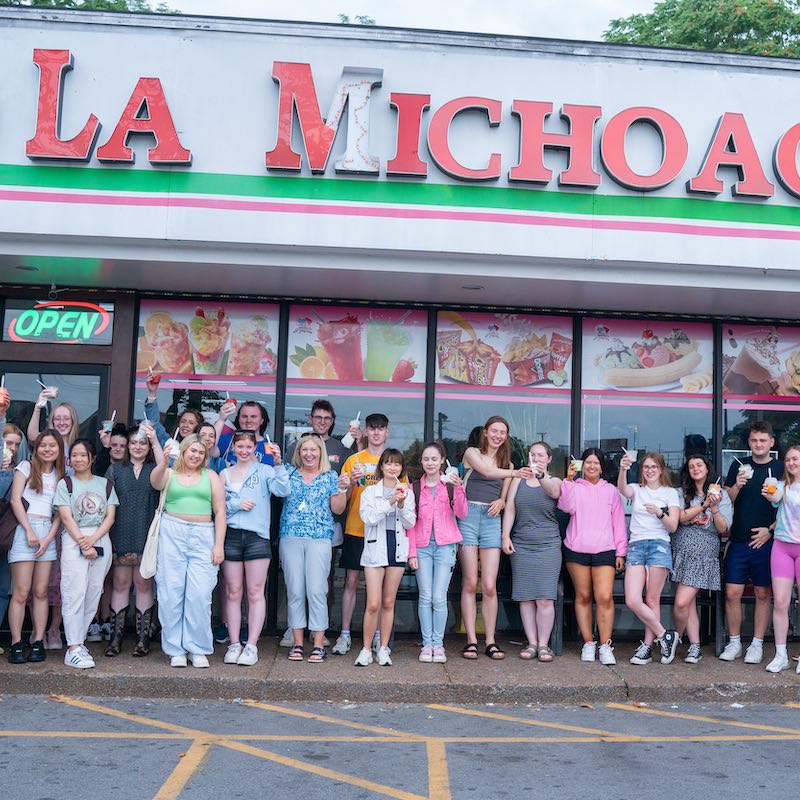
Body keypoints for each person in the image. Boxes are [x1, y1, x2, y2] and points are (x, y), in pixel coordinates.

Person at [279, 399, 357, 648]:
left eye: (314, 450)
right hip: (291, 535)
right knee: (295, 589)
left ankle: (318, 637)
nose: (309, 453)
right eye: (305, 450)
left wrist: (344, 489)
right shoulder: (289, 472)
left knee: (318, 588)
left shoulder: (331, 472)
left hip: (323, 533)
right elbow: (276, 489)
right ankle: (296, 635)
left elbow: (338, 506)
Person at [458, 415, 532, 661]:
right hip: (468, 516)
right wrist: (514, 474)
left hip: (491, 520)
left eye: (503, 432)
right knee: (470, 582)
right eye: (494, 431)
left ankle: (490, 640)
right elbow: (488, 472)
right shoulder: (472, 453)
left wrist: (501, 501)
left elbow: (505, 497)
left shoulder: (509, 465)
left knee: (489, 585)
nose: (498, 436)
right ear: (486, 432)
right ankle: (470, 640)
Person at [150, 434, 226, 668]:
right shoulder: (170, 473)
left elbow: (221, 511)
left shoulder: (211, 476)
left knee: (200, 595)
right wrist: (164, 461)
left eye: (201, 452)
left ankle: (198, 648)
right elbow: (155, 482)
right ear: (183, 451)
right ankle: (175, 649)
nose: (196, 455)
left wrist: (219, 544)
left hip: (204, 533)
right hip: (172, 532)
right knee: (171, 592)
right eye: (192, 450)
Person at [220, 431, 289, 667]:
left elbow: (283, 490)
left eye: (248, 446)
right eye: (240, 446)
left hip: (257, 537)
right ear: (233, 448)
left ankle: (251, 645)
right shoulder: (225, 473)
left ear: (254, 449)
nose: (244, 450)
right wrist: (236, 504)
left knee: (254, 592)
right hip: (230, 536)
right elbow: (217, 507)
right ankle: (233, 643)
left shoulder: (265, 470)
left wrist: (279, 463)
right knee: (232, 591)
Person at [720, 421, 784, 664]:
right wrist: (736, 484)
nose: (758, 444)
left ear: (771, 442)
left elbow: (789, 508)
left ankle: (756, 645)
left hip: (766, 541)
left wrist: (769, 531)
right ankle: (734, 642)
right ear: (749, 442)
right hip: (738, 539)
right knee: (732, 592)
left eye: (763, 440)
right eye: (754, 440)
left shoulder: (780, 468)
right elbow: (728, 501)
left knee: (762, 593)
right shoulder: (739, 466)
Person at [558, 448, 627, 666]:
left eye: (596, 463)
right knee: (583, 596)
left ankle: (605, 645)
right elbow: (565, 507)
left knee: (605, 597)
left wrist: (621, 551)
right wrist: (568, 480)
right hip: (576, 548)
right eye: (588, 462)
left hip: (605, 549)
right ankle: (588, 642)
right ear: (581, 465)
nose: (592, 466)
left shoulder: (611, 491)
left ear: (602, 466)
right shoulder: (574, 487)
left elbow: (619, 523)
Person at [54, 439, 119, 669]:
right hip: (75, 538)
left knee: (93, 591)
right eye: (75, 455)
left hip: (100, 538)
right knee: (74, 591)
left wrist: (93, 539)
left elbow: (110, 516)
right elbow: (65, 516)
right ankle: (72, 647)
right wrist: (83, 542)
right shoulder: (66, 484)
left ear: (92, 458)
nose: (79, 459)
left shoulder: (106, 484)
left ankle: (79, 642)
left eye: (84, 455)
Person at [331, 413, 390, 656]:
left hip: (383, 531)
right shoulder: (353, 460)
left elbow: (402, 495)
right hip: (356, 527)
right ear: (365, 432)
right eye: (372, 428)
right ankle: (344, 634)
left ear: (387, 432)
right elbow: (340, 498)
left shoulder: (393, 460)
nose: (376, 433)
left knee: (379, 587)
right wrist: (350, 484)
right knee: (352, 582)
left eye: (381, 429)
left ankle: (377, 635)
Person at [104, 425, 163, 657]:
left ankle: (143, 638)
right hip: (120, 530)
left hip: (146, 533)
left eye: (143, 443)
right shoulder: (115, 469)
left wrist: (156, 439)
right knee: (119, 584)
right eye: (134, 443)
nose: (138, 447)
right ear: (127, 446)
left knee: (143, 584)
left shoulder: (155, 470)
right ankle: (115, 639)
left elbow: (164, 465)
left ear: (148, 447)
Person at [6, 430, 65, 664]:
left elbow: (61, 510)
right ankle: (16, 642)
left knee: (41, 591)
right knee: (21, 592)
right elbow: (14, 500)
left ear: (59, 449)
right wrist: (29, 530)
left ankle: (38, 641)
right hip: (25, 529)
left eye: (52, 445)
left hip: (48, 531)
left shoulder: (62, 474)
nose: (47, 449)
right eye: (43, 445)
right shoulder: (25, 467)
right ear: (36, 447)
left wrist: (49, 537)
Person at [618, 451, 682, 665]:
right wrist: (623, 468)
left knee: (652, 599)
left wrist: (659, 512)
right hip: (636, 545)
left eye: (654, 467)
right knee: (633, 599)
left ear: (661, 469)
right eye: (646, 467)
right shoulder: (637, 489)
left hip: (658, 545)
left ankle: (647, 647)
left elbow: (673, 526)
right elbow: (623, 489)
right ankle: (665, 635)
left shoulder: (670, 493)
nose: (650, 470)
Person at [354, 449, 416, 666]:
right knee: (373, 603)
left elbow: (410, 523)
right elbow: (368, 518)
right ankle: (365, 648)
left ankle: (383, 648)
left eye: (397, 464)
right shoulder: (369, 492)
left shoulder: (407, 491)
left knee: (389, 602)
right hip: (375, 549)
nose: (392, 468)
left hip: (397, 548)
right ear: (381, 466)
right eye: (388, 463)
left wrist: (401, 505)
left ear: (402, 468)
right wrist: (390, 502)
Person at [502, 441, 563, 662]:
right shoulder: (518, 478)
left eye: (541, 455)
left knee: (545, 598)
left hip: (548, 545)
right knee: (525, 597)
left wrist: (540, 476)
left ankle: (545, 645)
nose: (536, 458)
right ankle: (532, 643)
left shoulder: (554, 480)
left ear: (548, 459)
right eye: (533, 455)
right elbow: (510, 508)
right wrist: (505, 536)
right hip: (522, 545)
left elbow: (554, 493)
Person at [407, 441, 466, 664]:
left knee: (439, 598)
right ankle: (427, 644)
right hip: (422, 547)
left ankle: (438, 645)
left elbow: (462, 512)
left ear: (442, 460)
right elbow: (409, 523)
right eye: (426, 459)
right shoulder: (414, 488)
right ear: (421, 461)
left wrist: (459, 488)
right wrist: (411, 553)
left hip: (446, 546)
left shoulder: (449, 485)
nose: (430, 463)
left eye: (434, 459)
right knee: (425, 596)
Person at [671, 455, 731, 664]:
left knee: (681, 602)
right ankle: (694, 646)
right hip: (680, 550)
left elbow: (723, 528)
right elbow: (679, 517)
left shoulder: (721, 494)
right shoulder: (681, 493)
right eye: (691, 466)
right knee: (689, 603)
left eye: (699, 465)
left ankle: (673, 638)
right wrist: (703, 504)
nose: (695, 469)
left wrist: (713, 507)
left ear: (707, 468)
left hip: (703, 553)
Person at [763, 444, 800, 673]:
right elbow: (773, 497)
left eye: (795, 459)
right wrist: (769, 494)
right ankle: (780, 654)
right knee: (780, 602)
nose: (791, 463)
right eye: (788, 460)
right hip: (782, 547)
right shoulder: (781, 486)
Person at [143, 374, 204, 451]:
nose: (185, 425)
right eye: (183, 421)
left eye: (191, 423)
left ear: (198, 427)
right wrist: (152, 393)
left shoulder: (202, 449)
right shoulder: (170, 444)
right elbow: (154, 424)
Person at [214, 400, 274, 466]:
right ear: (239, 419)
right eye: (244, 416)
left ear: (262, 420)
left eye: (253, 416)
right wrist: (221, 419)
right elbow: (211, 452)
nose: (248, 420)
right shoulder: (228, 439)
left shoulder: (269, 446)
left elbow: (271, 472)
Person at [27, 388, 79, 457]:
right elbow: (32, 436)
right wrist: (37, 407)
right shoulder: (46, 442)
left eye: (66, 419)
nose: (62, 423)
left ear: (73, 421)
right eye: (57, 419)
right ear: (52, 421)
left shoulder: (78, 447)